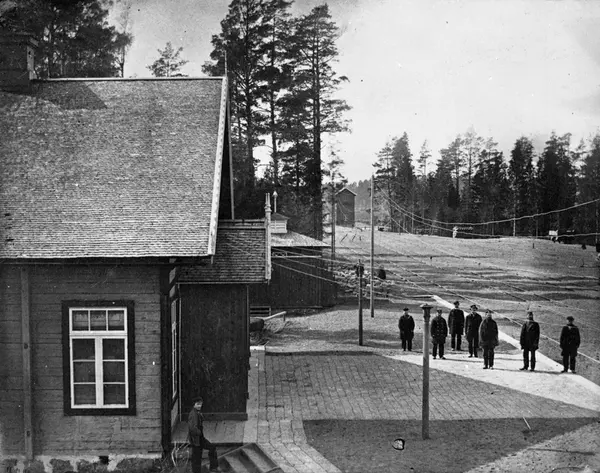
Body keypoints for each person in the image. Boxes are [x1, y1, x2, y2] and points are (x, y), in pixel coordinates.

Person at [188, 398, 220, 473]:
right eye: (197, 404)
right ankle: (210, 468)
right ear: (194, 404)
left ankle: (213, 468)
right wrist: (199, 432)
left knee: (212, 448)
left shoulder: (197, 412)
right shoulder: (193, 414)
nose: (199, 406)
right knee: (197, 459)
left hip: (200, 438)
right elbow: (192, 428)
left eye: (200, 404)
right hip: (196, 440)